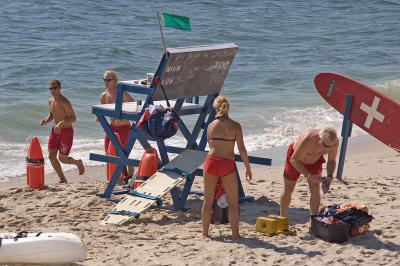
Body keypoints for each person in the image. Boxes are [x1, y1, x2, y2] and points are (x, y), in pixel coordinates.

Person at [201, 96, 252, 239]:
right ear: (228, 107)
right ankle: (236, 235)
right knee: (233, 203)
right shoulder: (236, 126)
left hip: (211, 162)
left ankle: (205, 234)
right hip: (227, 163)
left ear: (215, 108)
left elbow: (211, 146)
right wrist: (248, 168)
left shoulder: (210, 126)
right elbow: (242, 149)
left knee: (208, 201)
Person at [280, 127, 339, 217]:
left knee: (315, 188)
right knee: (288, 189)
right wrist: (308, 175)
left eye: (330, 146)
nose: (328, 148)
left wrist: (330, 175)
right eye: (325, 145)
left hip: (315, 162)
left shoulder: (333, 143)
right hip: (296, 160)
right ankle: (282, 216)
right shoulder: (308, 138)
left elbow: (331, 161)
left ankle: (314, 219)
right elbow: (293, 160)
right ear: (319, 138)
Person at [40, 80, 85, 183]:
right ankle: (63, 179)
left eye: (55, 88)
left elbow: (73, 118)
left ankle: (78, 163)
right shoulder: (50, 101)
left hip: (66, 132)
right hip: (54, 131)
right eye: (51, 88)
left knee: (63, 159)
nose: (53, 90)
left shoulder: (64, 102)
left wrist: (62, 123)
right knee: (51, 157)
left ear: (60, 88)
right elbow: (52, 114)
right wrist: (46, 121)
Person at [99, 70, 134, 179]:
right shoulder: (104, 95)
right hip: (112, 128)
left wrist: (123, 116)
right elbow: (101, 111)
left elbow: (135, 106)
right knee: (108, 151)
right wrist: (98, 116)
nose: (106, 82)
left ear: (115, 81)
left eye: (108, 80)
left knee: (123, 153)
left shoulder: (122, 93)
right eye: (104, 80)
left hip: (124, 127)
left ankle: (130, 175)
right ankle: (118, 176)